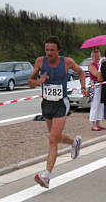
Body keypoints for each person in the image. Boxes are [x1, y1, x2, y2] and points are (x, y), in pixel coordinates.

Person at [28, 36, 88, 188]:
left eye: (52, 50)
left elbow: (81, 73)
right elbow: (30, 82)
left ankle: (46, 176)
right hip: (47, 103)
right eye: (47, 50)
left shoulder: (66, 62)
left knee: (52, 139)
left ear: (58, 50)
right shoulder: (40, 62)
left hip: (62, 103)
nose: (49, 53)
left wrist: (83, 88)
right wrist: (38, 82)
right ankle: (75, 142)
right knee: (55, 137)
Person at [88, 49, 105, 131]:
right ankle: (93, 124)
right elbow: (97, 75)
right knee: (94, 105)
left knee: (100, 105)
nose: (97, 58)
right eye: (95, 56)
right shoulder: (91, 65)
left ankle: (98, 122)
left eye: (98, 56)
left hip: (101, 86)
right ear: (92, 57)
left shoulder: (99, 65)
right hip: (94, 87)